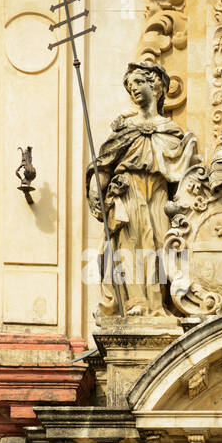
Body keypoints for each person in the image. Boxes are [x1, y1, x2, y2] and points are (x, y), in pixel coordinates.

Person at [86, 60, 198, 317]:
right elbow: (104, 164)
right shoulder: (125, 129)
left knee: (159, 243)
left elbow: (182, 178)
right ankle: (137, 302)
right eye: (130, 85)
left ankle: (158, 305)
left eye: (138, 82)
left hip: (158, 194)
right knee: (132, 246)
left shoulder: (171, 131)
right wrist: (96, 192)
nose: (133, 88)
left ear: (156, 85)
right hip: (129, 192)